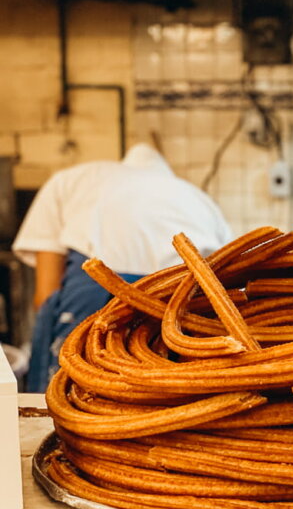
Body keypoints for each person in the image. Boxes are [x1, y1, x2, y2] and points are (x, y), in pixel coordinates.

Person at [12, 143, 233, 392]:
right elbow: (223, 288)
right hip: (180, 306)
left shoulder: (71, 180)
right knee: (163, 402)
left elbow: (46, 292)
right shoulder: (201, 201)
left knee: (72, 400)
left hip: (90, 299)